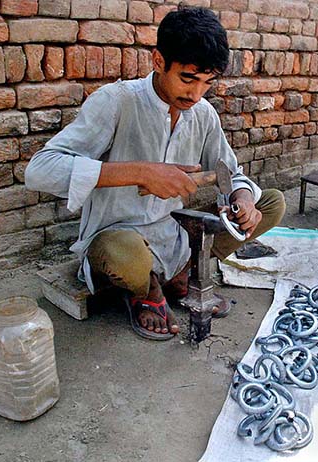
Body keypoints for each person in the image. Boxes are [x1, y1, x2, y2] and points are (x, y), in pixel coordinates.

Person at [25, 6, 286, 340]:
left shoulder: (202, 114)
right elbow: (40, 170)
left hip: (175, 234)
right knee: (128, 256)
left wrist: (242, 198)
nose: (195, 94)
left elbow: (230, 172)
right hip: (120, 238)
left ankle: (181, 274)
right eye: (187, 78)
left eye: (207, 83)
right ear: (159, 61)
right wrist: (140, 173)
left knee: (272, 204)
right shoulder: (117, 102)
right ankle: (147, 291)